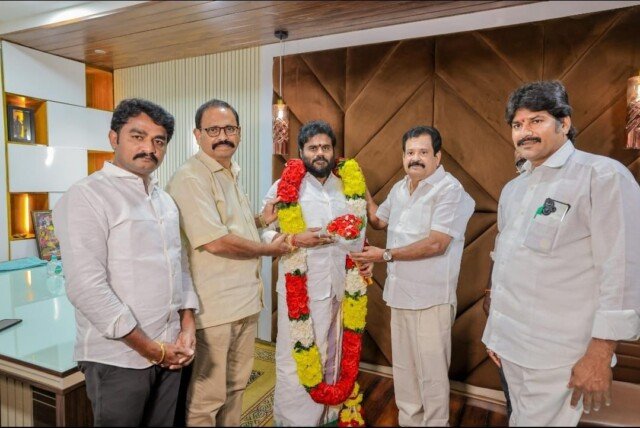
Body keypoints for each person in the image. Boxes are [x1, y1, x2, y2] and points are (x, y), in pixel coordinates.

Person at [482, 80, 640, 426]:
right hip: (509, 346)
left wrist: (600, 354)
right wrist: (496, 333)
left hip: (558, 356)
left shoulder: (601, 176)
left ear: (564, 123)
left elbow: (622, 272)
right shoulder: (514, 189)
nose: (525, 132)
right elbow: (507, 264)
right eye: (517, 124)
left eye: (536, 120)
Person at [53, 98, 199, 427]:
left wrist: (187, 325)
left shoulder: (165, 201)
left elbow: (180, 267)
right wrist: (149, 348)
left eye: (159, 141)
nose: (149, 148)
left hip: (170, 348)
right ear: (113, 138)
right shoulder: (87, 195)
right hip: (118, 357)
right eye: (137, 136)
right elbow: (86, 288)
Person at [166, 99, 290, 426]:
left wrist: (262, 221)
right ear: (197, 135)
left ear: (239, 133)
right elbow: (216, 241)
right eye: (213, 130)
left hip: (244, 302)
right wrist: (269, 250)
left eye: (229, 129)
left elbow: (231, 227)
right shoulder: (191, 178)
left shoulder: (230, 173)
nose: (223, 136)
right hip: (214, 309)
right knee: (206, 400)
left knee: (235, 388)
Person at [351, 125, 474, 426]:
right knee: (404, 371)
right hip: (399, 294)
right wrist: (359, 189)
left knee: (431, 374)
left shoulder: (450, 190)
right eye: (410, 152)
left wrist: (385, 255)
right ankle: (409, 421)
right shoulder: (400, 188)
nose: (415, 158)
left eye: (423, 152)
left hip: (431, 298)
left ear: (437, 156)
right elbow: (379, 220)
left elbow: (437, 243)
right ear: (403, 156)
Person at [261, 120, 373, 426]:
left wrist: (366, 259)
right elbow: (264, 233)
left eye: (325, 147)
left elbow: (359, 233)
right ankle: (295, 421)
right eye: (313, 148)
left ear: (334, 151)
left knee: (334, 353)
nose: (320, 153)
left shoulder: (346, 187)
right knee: (295, 360)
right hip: (303, 292)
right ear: (301, 152)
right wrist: (294, 239)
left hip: (342, 287)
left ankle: (329, 416)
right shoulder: (285, 187)